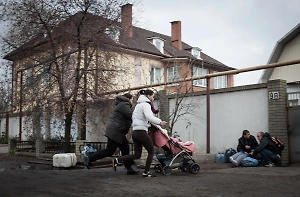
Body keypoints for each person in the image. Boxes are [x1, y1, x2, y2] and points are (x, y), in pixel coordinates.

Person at [112, 89, 167, 178]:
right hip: (141, 132)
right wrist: (160, 122)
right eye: (153, 96)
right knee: (151, 151)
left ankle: (117, 160)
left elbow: (138, 118)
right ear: (148, 95)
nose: (153, 98)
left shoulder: (138, 105)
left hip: (135, 132)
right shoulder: (146, 105)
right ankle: (146, 172)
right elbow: (149, 117)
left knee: (137, 155)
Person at [84, 93, 139, 175]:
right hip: (116, 131)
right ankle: (90, 158)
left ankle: (129, 168)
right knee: (110, 151)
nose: (132, 101)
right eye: (131, 99)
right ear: (128, 99)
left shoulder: (121, 104)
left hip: (117, 131)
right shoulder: (124, 105)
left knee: (125, 148)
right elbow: (132, 116)